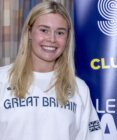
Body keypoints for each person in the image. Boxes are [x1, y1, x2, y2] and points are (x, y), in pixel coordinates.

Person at [0, 1, 103, 140]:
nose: (52, 39)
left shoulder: (79, 88)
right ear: (29, 32)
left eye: (60, 32)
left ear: (67, 38)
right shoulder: (2, 79)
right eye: (44, 30)